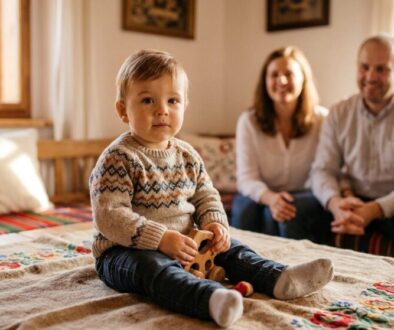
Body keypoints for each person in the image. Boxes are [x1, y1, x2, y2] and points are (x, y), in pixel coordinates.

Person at [89, 50, 333, 328]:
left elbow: (206, 194)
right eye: (147, 100)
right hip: (123, 252)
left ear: (184, 105)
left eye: (173, 100)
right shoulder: (118, 158)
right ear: (123, 110)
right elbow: (109, 216)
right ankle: (209, 298)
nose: (162, 110)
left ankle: (278, 278)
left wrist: (215, 223)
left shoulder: (187, 155)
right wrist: (160, 239)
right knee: (152, 269)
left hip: (187, 244)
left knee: (234, 251)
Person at [231, 46, 328, 240]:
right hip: (260, 192)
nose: (281, 81)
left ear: (303, 79)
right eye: (274, 75)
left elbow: (325, 171)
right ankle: (236, 266)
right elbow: (246, 178)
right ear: (265, 82)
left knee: (285, 211)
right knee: (246, 209)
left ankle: (286, 268)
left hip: (303, 195)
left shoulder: (322, 120)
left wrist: (278, 203)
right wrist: (271, 198)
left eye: (289, 74)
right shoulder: (248, 121)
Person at [311, 35, 394, 248]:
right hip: (351, 201)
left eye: (381, 69)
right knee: (296, 213)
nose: (370, 76)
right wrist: (336, 203)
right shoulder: (339, 113)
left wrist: (374, 209)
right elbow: (322, 170)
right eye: (364, 67)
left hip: (390, 203)